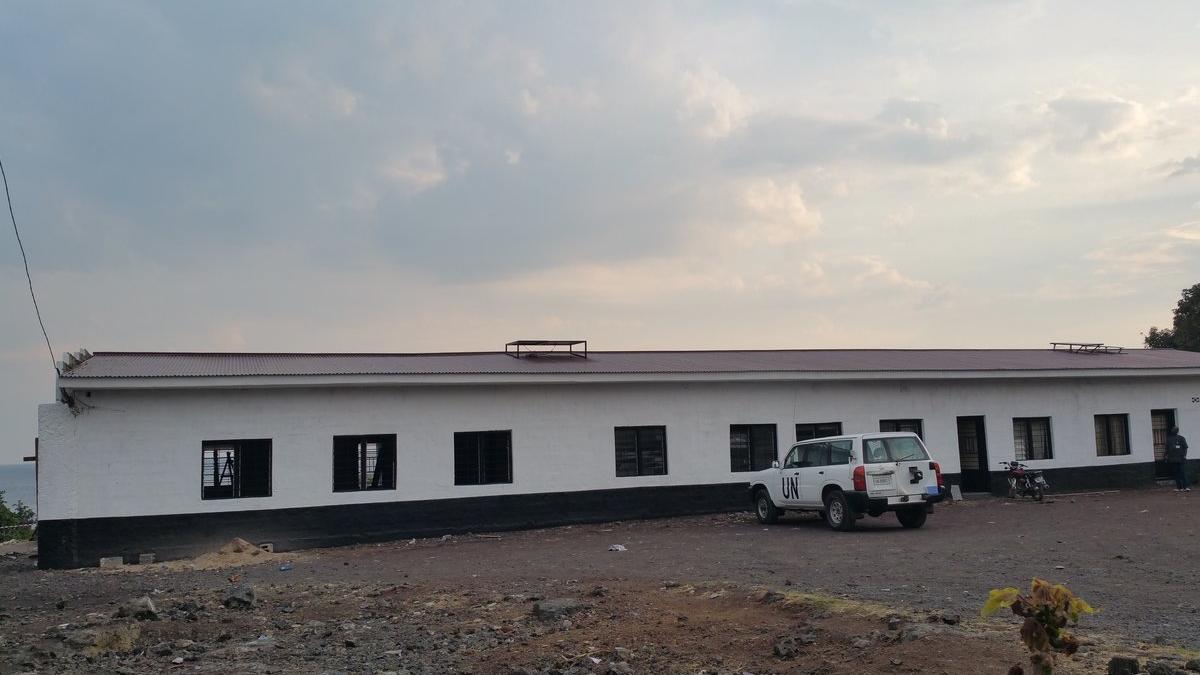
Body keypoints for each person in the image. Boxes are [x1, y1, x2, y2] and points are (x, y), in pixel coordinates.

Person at [1165, 425, 1190, 492]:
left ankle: (1186, 487)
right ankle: (1179, 487)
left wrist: (1184, 455)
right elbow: (1167, 449)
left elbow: (1185, 447)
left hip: (1181, 458)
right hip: (1173, 459)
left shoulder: (1182, 438)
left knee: (1182, 472)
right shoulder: (1169, 439)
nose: (1173, 430)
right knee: (1176, 473)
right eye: (1173, 429)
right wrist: (1166, 456)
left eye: (1175, 429)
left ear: (1177, 431)